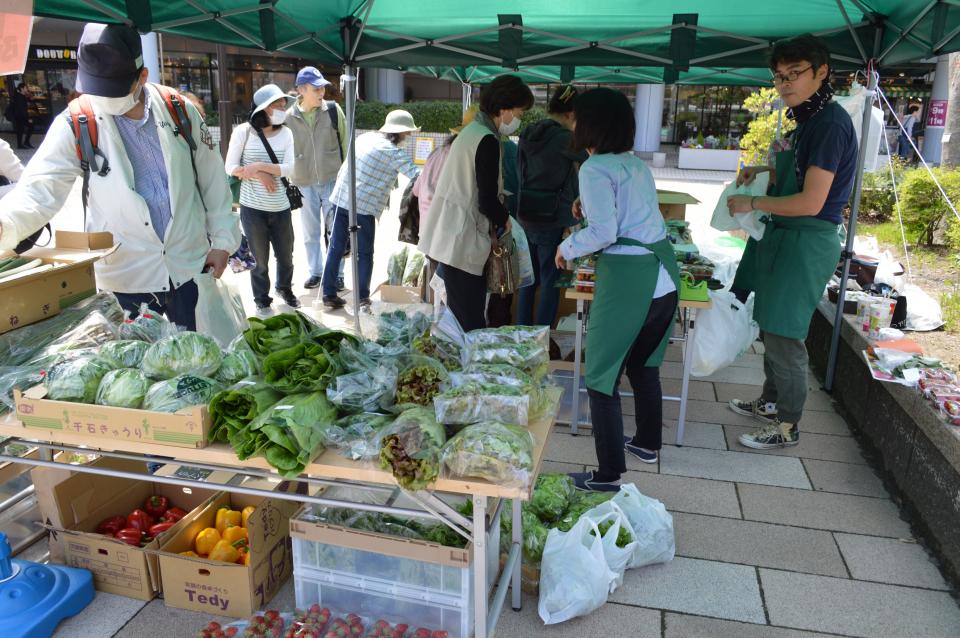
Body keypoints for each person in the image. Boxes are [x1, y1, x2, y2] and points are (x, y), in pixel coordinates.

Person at [0, 23, 239, 331]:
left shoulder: (179, 109)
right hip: (126, 278)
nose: (103, 100)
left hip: (190, 266)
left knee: (201, 363)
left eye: (113, 92)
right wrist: (6, 224)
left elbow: (213, 182)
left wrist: (222, 241)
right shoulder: (75, 121)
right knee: (139, 369)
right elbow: (40, 189)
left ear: (142, 77)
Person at [727, 33, 857, 450]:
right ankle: (770, 402)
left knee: (785, 332)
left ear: (822, 73)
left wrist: (753, 200)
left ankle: (787, 425)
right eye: (779, 76)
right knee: (771, 323)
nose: (785, 84)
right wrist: (762, 168)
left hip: (806, 239)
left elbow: (813, 200)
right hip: (787, 237)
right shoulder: (808, 121)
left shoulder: (830, 124)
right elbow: (799, 172)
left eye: (795, 74)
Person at [555, 88, 680, 492]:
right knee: (644, 367)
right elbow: (628, 211)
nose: (573, 124)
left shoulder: (593, 169)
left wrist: (567, 248)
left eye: (576, 118)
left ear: (590, 124)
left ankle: (608, 475)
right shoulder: (634, 163)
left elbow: (605, 231)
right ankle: (646, 443)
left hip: (629, 278)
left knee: (601, 375)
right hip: (662, 275)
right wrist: (585, 206)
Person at [418, 75, 534, 332]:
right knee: (469, 322)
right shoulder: (486, 139)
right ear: (504, 109)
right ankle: (465, 369)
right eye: (519, 112)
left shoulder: (471, 132)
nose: (519, 119)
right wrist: (506, 220)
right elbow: (487, 200)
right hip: (461, 240)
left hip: (450, 237)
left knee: (463, 316)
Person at [322, 109, 421, 309]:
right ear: (399, 132)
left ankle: (328, 293)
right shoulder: (393, 153)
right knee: (364, 253)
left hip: (341, 198)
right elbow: (417, 174)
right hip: (363, 206)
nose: (409, 137)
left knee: (336, 247)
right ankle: (362, 298)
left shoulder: (366, 137)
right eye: (407, 133)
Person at [225, 83, 299, 317]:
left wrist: (257, 165)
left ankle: (284, 288)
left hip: (281, 207)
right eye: (276, 104)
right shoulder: (243, 132)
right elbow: (230, 167)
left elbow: (289, 168)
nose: (282, 108)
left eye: (283, 104)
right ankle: (261, 298)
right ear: (261, 109)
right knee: (260, 259)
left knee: (286, 256)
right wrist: (260, 172)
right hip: (252, 208)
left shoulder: (286, 133)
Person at [516, 84, 586, 327]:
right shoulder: (565, 138)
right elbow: (591, 163)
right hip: (552, 217)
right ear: (570, 115)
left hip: (525, 214)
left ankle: (522, 333)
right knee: (550, 281)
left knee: (528, 279)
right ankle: (541, 336)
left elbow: (518, 172)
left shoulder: (527, 133)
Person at [286, 66, 347, 291]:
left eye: (322, 88)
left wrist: (345, 177)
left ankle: (337, 274)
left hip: (332, 179)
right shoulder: (288, 118)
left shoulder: (332, 110)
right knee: (310, 232)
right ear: (301, 90)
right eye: (315, 88)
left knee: (335, 231)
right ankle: (317, 272)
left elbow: (345, 144)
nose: (321, 93)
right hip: (303, 183)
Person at [11, 84, 33, 149]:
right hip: (20, 116)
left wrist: (29, 97)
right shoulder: (19, 97)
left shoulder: (22, 96)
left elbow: (25, 105)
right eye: (26, 88)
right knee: (21, 130)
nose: (27, 89)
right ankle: (21, 144)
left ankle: (24, 143)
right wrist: (28, 118)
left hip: (20, 116)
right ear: (22, 89)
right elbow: (22, 109)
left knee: (23, 129)